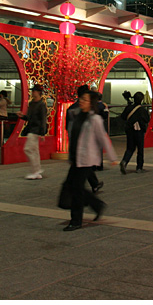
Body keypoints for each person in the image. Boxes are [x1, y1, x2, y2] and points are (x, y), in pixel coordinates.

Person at [63, 91, 118, 231]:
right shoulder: (76, 115)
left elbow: (103, 138)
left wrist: (112, 157)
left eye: (85, 100)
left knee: (76, 190)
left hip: (87, 159)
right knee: (73, 186)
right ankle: (97, 205)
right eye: (81, 98)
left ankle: (76, 220)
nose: (81, 101)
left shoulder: (95, 120)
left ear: (91, 103)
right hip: (76, 158)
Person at [18, 84, 48, 180]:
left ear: (39, 92)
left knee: (28, 149)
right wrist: (22, 116)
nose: (32, 92)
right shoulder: (32, 104)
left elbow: (43, 119)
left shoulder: (41, 105)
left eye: (34, 91)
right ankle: (36, 170)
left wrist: (43, 133)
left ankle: (36, 170)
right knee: (34, 151)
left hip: (36, 129)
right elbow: (29, 118)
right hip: (31, 128)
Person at [119, 91, 150, 174]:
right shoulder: (142, 110)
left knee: (130, 148)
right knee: (140, 149)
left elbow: (123, 117)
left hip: (129, 130)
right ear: (141, 100)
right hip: (139, 131)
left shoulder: (129, 107)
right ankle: (139, 167)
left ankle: (124, 161)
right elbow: (147, 119)